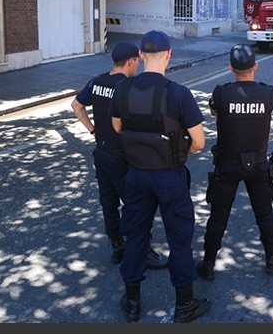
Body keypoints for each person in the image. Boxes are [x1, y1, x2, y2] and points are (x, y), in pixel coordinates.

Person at [109, 30, 210, 323]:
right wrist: (180, 152)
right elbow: (200, 141)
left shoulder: (123, 90)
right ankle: (185, 304)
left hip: (136, 175)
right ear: (169, 55)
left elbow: (117, 127)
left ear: (140, 56)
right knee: (179, 239)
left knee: (136, 235)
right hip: (169, 175)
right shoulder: (178, 93)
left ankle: (132, 302)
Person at [70, 42, 168, 269]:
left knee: (108, 202)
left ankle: (117, 246)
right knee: (137, 205)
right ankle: (143, 251)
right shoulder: (128, 87)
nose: (139, 66)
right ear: (132, 61)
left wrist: (93, 130)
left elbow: (76, 105)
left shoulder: (97, 81)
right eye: (138, 62)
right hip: (124, 156)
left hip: (101, 153)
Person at [196, 44, 273, 280]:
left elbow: (215, 112)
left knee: (219, 214)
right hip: (258, 165)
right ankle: (272, 258)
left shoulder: (222, 93)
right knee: (264, 213)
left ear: (230, 68)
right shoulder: (267, 93)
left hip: (228, 165)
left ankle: (209, 263)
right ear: (256, 66)